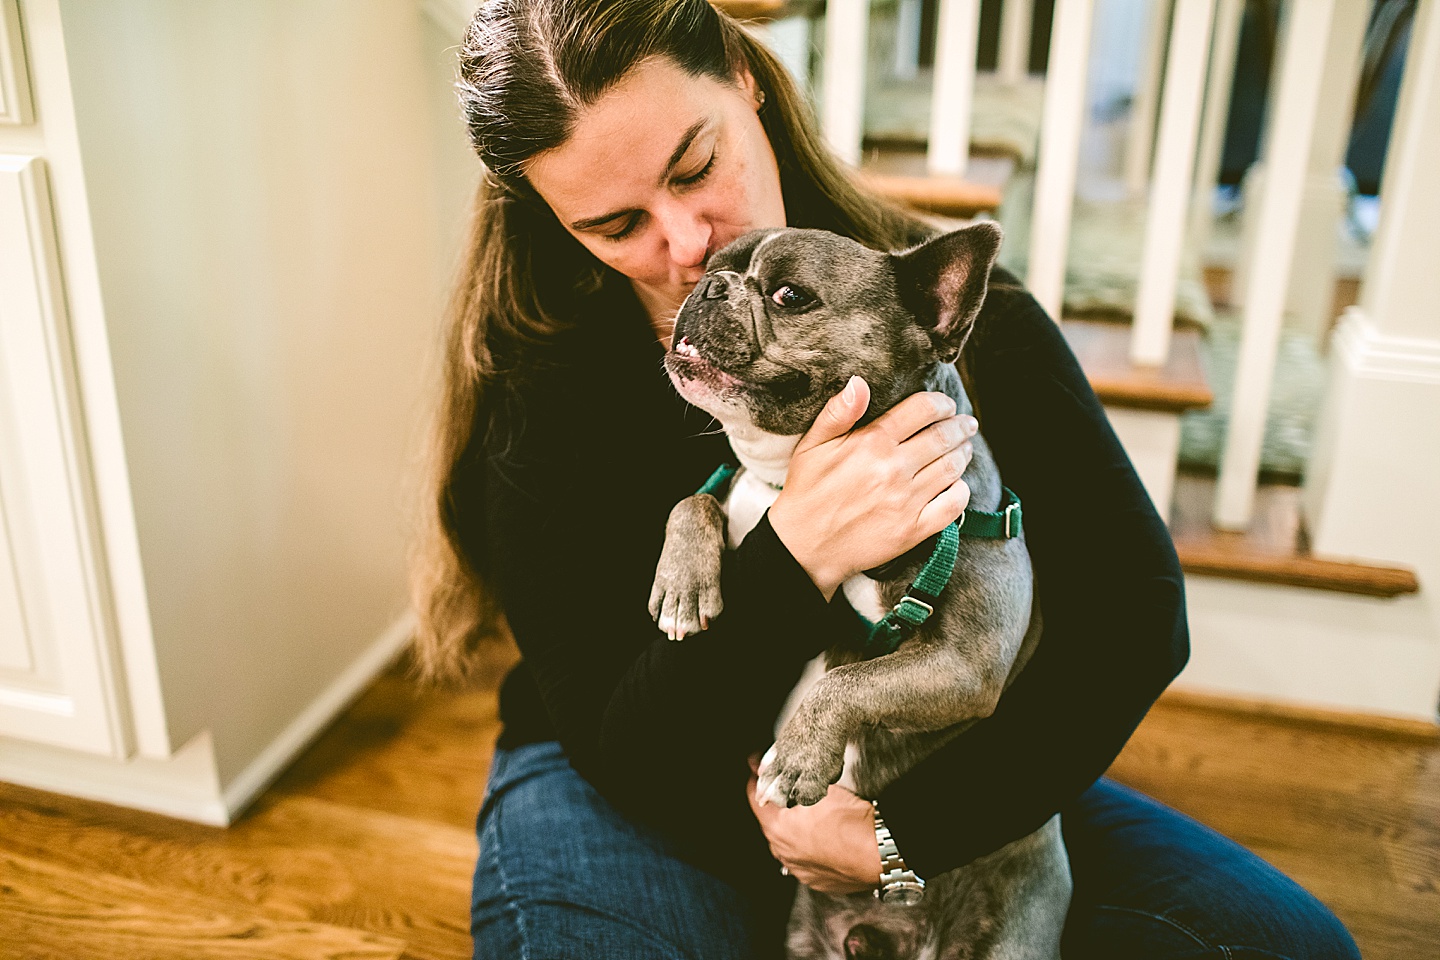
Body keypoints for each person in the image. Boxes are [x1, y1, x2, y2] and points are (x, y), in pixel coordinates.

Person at [409, 2, 1363, 958]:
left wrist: (904, 835)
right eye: (616, 225)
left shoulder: (927, 305)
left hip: (906, 767)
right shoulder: (539, 386)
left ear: (746, 80)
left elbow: (1136, 610)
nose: (687, 243)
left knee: (1283, 945)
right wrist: (801, 553)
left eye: (696, 167)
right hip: (638, 784)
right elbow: (630, 755)